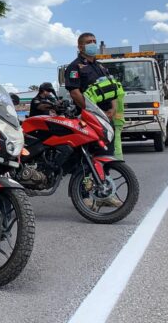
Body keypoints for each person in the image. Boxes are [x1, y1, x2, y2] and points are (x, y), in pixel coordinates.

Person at [63, 32, 122, 208]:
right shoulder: (74, 67)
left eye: (94, 41)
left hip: (105, 117)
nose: (93, 44)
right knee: (85, 157)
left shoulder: (101, 67)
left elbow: (111, 89)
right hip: (88, 117)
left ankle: (104, 193)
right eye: (89, 42)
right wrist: (91, 111)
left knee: (105, 155)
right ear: (80, 47)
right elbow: (75, 92)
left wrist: (113, 108)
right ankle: (83, 195)